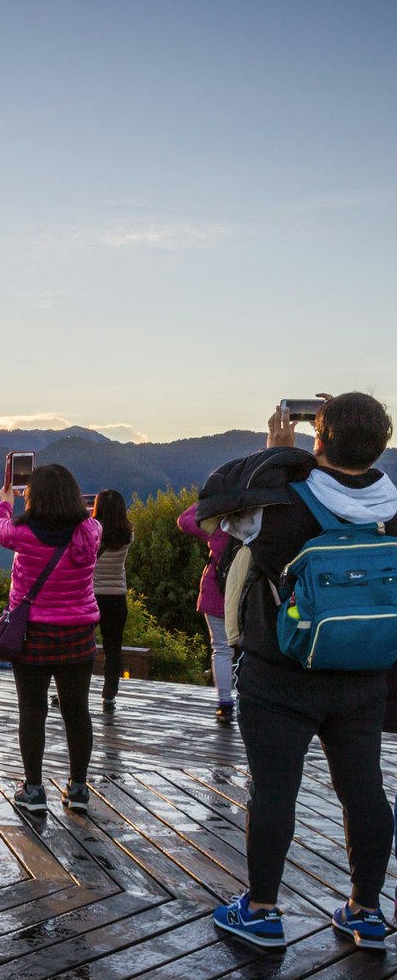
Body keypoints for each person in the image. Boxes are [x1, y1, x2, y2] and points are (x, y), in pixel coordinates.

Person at [199, 394, 396, 949]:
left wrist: (275, 455)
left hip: (280, 673)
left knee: (275, 790)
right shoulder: (392, 509)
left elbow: (214, 503)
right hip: (362, 677)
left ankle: (261, 911)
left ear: (319, 439)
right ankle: (366, 912)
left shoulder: (282, 504)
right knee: (364, 792)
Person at [0, 463, 103, 815]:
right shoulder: (90, 531)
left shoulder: (23, 534)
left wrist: (5, 501)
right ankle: (79, 788)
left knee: (32, 711)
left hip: (33, 635)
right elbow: (90, 519)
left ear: (33, 497)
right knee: (77, 711)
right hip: (79, 636)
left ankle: (33, 790)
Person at [177, 501, 237, 722]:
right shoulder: (254, 521)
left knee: (221, 649)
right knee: (251, 650)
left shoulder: (217, 524)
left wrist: (207, 499)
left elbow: (184, 520)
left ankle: (225, 704)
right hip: (248, 592)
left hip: (217, 590)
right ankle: (251, 702)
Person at [91, 490, 133, 712]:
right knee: (113, 648)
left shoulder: (91, 532)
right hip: (117, 597)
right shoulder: (128, 534)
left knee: (83, 645)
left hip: (92, 596)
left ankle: (72, 689)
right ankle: (109, 696)